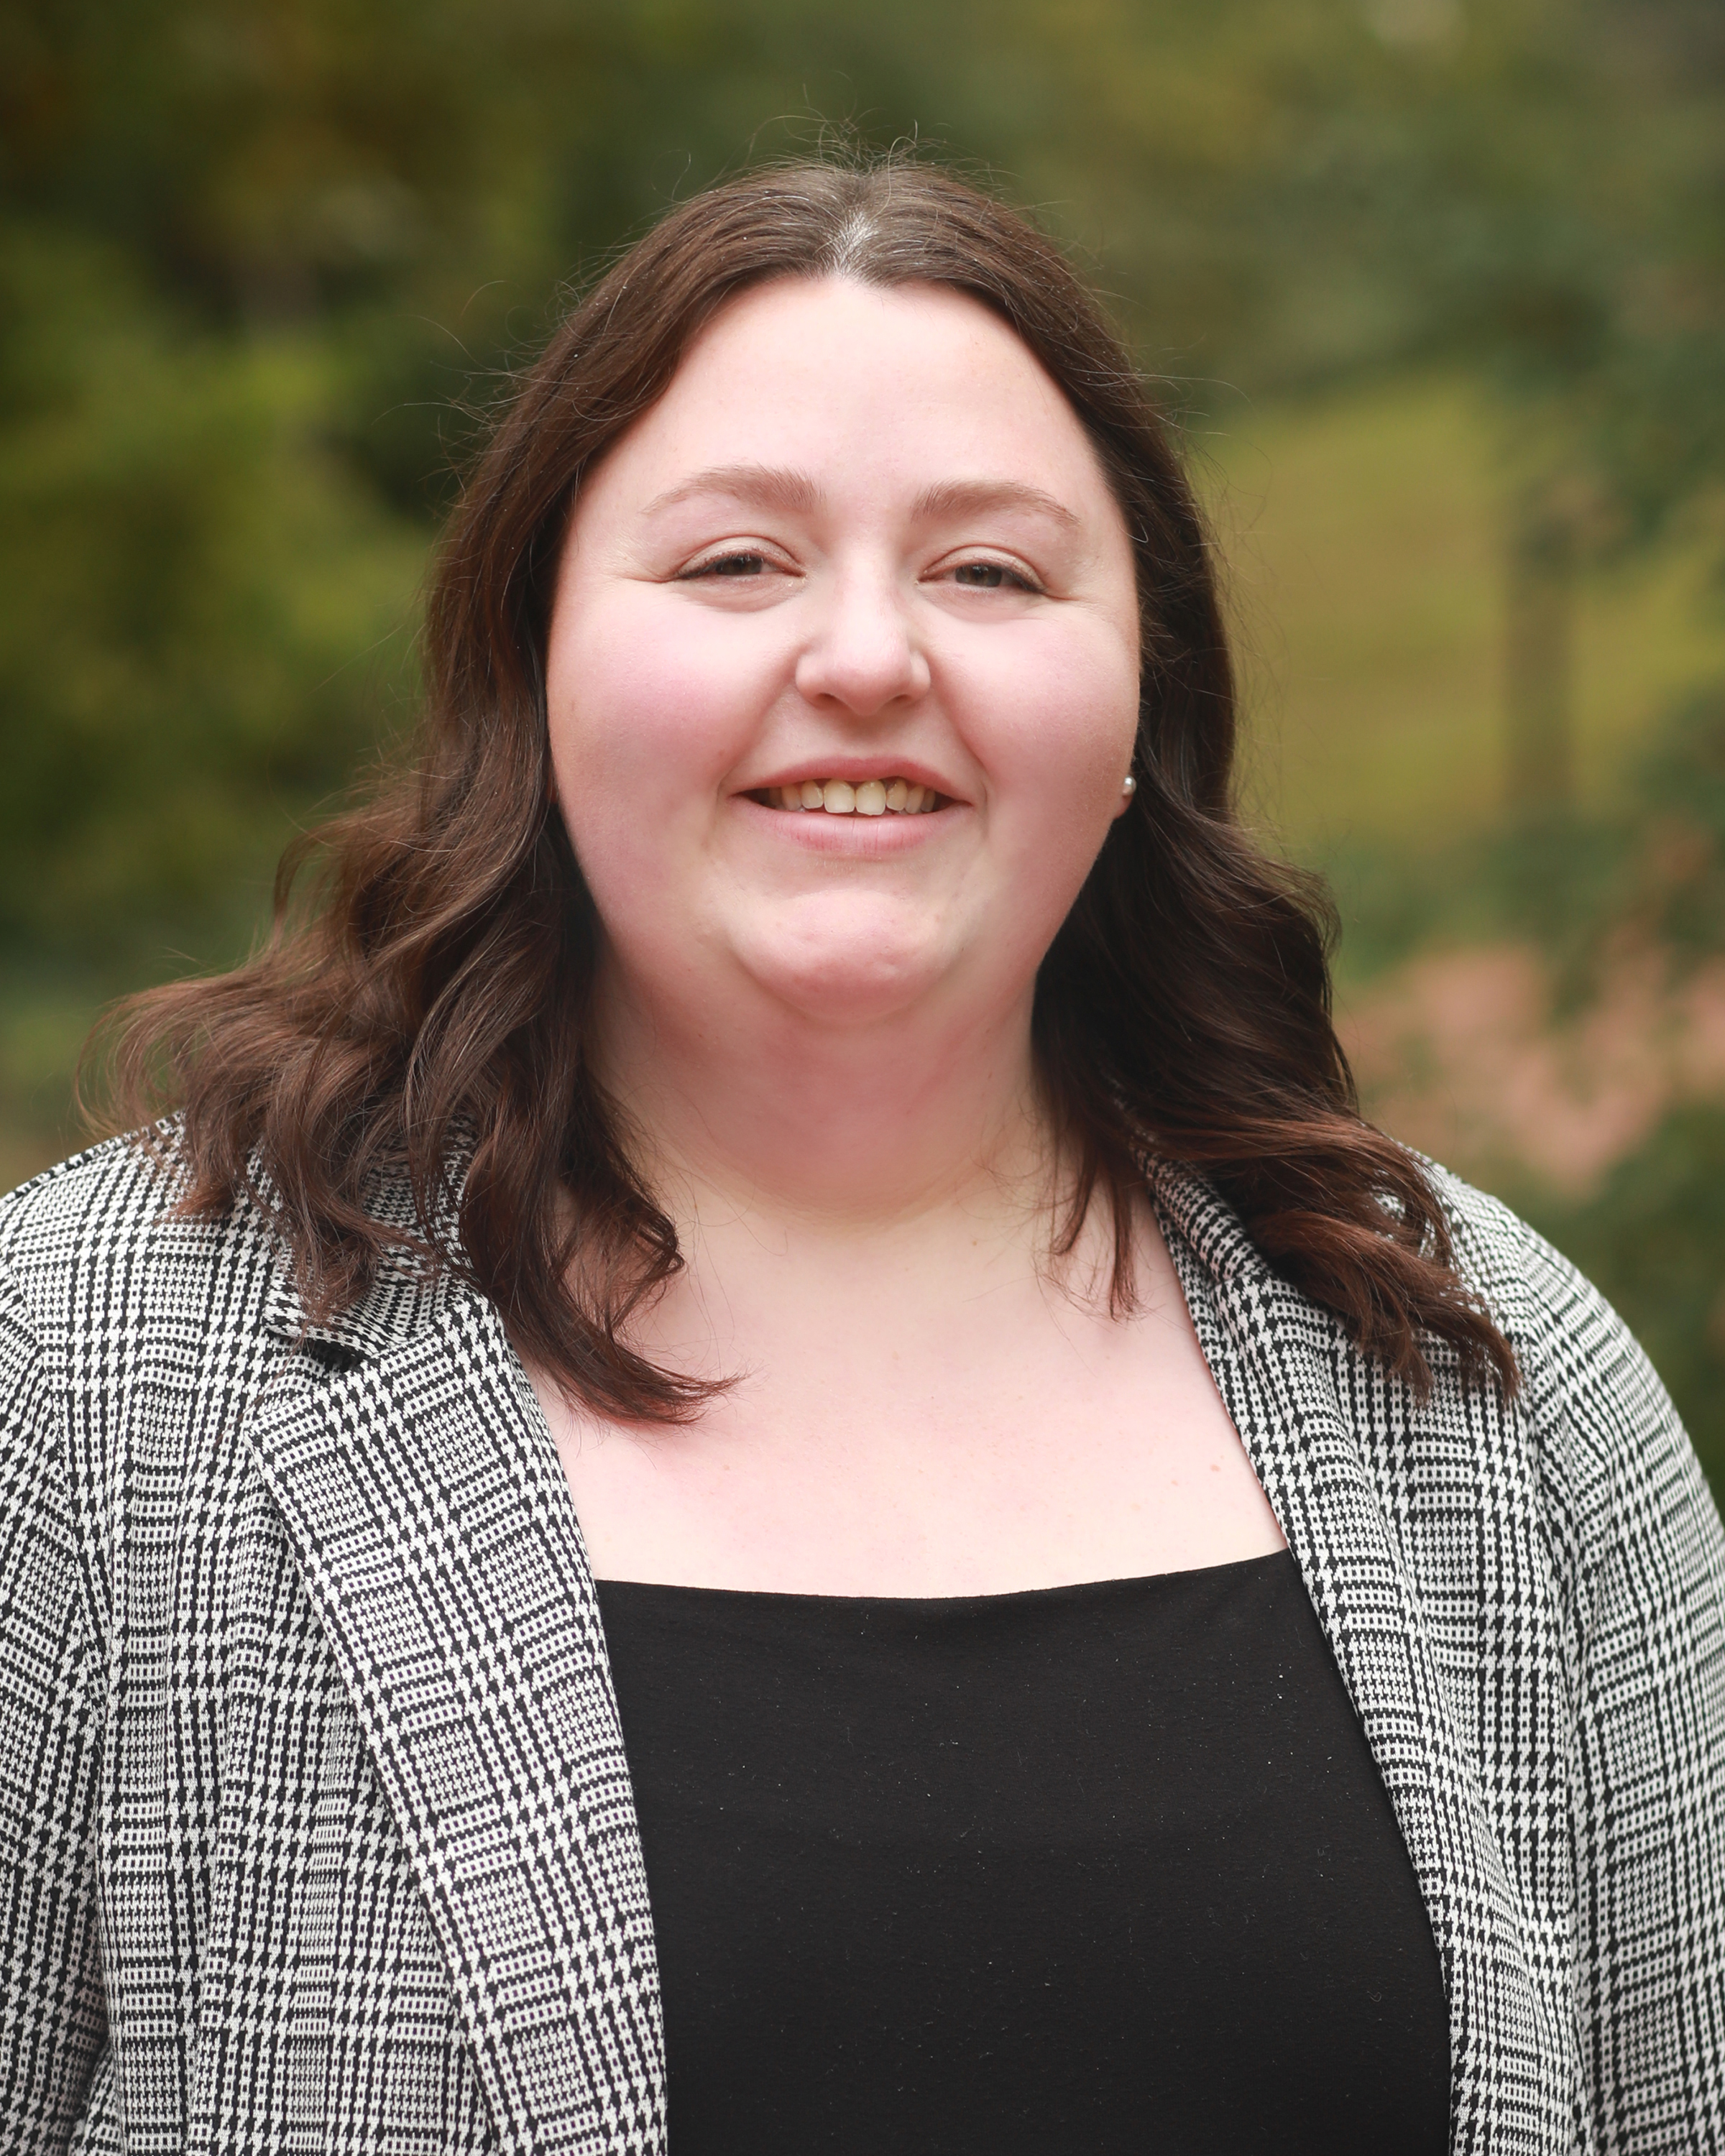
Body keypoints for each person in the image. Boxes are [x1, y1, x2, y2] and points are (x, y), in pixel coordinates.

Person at [2, 155, 1721, 2156]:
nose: (868, 657)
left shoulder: (1497, 1384)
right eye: (735, 563)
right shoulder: (89, 1376)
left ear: (1141, 694)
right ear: (533, 652)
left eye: (991, 572)